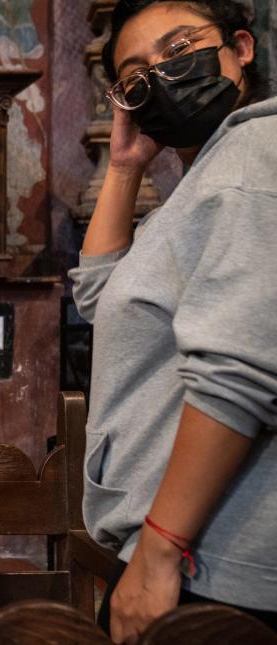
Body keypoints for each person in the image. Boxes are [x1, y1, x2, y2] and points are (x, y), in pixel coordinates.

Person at [69, 1, 277, 642]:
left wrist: (160, 552)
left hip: (207, 569)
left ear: (241, 48)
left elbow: (236, 375)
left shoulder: (249, 159)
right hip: (191, 558)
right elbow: (104, 303)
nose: (162, 72)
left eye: (180, 46)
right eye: (136, 74)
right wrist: (126, 166)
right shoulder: (206, 179)